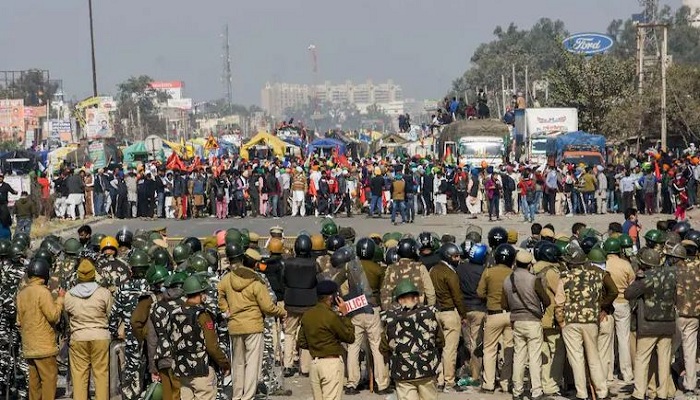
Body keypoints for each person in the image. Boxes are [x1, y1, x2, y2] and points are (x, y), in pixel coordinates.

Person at [217, 249, 286, 400]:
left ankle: (237, 395)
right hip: (253, 326)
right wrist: (281, 312)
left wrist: (226, 309)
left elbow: (220, 293)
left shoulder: (228, 278)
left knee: (238, 363)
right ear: (254, 264)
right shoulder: (257, 281)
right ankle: (248, 396)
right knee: (252, 363)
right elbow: (267, 307)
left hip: (235, 325)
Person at [554, 243, 616, 400]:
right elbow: (607, 293)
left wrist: (561, 321)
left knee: (576, 359)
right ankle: (602, 392)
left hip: (571, 321)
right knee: (594, 357)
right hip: (591, 321)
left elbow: (559, 302)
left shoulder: (565, 277)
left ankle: (581, 393)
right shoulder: (596, 275)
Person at [625, 245, 678, 400]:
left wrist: (638, 277)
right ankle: (663, 393)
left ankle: (639, 393)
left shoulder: (645, 279)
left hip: (649, 325)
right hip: (668, 323)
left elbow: (629, 294)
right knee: (664, 359)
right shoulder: (670, 276)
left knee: (642, 359)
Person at [383, 281, 444, 400]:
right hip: (427, 368)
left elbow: (384, 346)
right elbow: (440, 340)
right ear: (416, 298)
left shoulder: (391, 317)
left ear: (399, 300)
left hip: (402, 371)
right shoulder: (430, 313)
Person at [172, 276, 231, 400]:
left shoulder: (175, 313)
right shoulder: (203, 315)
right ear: (200, 294)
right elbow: (212, 346)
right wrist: (224, 363)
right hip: (201, 369)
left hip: (182, 368)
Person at [502, 251, 550, 400]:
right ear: (530, 264)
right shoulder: (533, 279)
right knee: (534, 357)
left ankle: (517, 391)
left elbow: (504, 304)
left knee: (519, 357)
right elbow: (546, 301)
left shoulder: (507, 280)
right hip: (532, 321)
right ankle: (536, 392)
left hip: (517, 321)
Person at [16, 258, 65, 400]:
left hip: (29, 346)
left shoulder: (21, 294)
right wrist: (60, 300)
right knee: (49, 379)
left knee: (34, 383)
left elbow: (19, 321)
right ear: (45, 274)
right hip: (44, 347)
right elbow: (53, 316)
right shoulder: (43, 292)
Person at [63, 259, 112, 400]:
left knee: (79, 377)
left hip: (78, 337)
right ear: (93, 274)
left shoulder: (69, 295)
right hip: (100, 337)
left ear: (78, 275)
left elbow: (67, 317)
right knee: (101, 375)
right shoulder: (104, 293)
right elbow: (110, 314)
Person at [298, 280, 355, 400]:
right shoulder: (331, 316)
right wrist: (345, 315)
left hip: (314, 364)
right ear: (331, 297)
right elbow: (350, 337)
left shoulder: (307, 315)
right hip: (331, 364)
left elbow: (302, 342)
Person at [429, 243, 468, 392]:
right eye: (455, 256)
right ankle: (449, 381)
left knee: (438, 348)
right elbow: (457, 296)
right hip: (450, 312)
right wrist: (463, 314)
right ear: (447, 256)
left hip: (436, 312)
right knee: (450, 350)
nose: (458, 259)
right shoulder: (450, 274)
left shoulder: (433, 270)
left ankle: (438, 380)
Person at [477, 243, 515, 393]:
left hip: (493, 314)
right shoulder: (513, 273)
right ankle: (506, 383)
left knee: (490, 349)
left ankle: (489, 383)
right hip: (510, 314)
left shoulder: (488, 272)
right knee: (509, 349)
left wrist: (490, 298)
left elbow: (480, 292)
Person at [602, 237, 636, 387]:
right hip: (623, 303)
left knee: (607, 340)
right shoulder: (625, 264)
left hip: (607, 303)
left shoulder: (604, 265)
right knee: (624, 339)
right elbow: (632, 284)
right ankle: (626, 373)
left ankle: (608, 373)